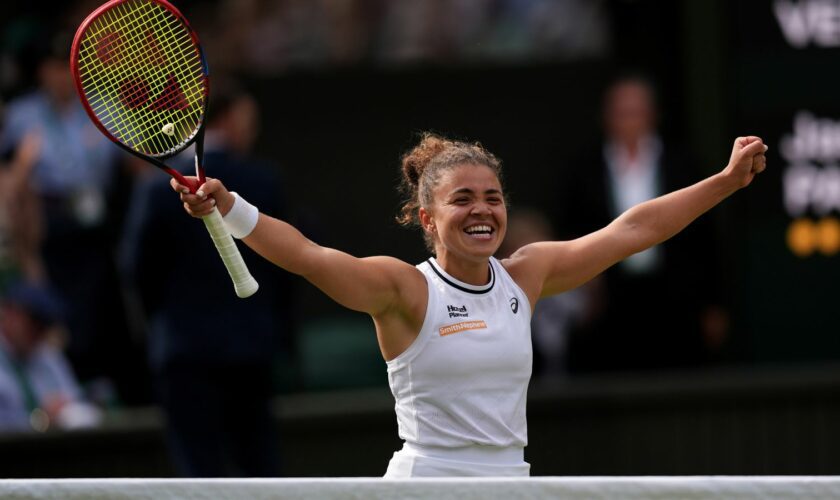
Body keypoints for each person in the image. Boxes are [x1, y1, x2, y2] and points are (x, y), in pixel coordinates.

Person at [171, 131, 767, 477]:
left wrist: (724, 180)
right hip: (430, 482)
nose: (482, 209)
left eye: (493, 197)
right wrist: (231, 208)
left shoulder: (526, 276)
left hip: (511, 480)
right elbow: (308, 255)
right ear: (429, 217)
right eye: (463, 199)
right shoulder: (403, 289)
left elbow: (632, 231)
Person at [120, 82, 290, 477]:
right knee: (260, 471)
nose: (252, 130)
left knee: (199, 474)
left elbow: (136, 270)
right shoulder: (263, 180)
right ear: (230, 119)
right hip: (248, 347)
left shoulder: (151, 191)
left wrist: (165, 326)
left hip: (184, 351)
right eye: (249, 120)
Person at [555, 75, 731, 371]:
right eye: (621, 113)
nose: (629, 121)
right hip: (611, 302)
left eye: (636, 112)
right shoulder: (584, 170)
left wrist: (714, 305)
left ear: (653, 116)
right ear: (606, 118)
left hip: (676, 299)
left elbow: (707, 238)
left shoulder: (682, 164)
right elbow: (570, 231)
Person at [0, 280, 101, 432]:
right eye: (32, 322)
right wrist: (39, 420)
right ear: (10, 312)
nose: (37, 332)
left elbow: (74, 400)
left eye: (43, 325)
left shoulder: (48, 357)